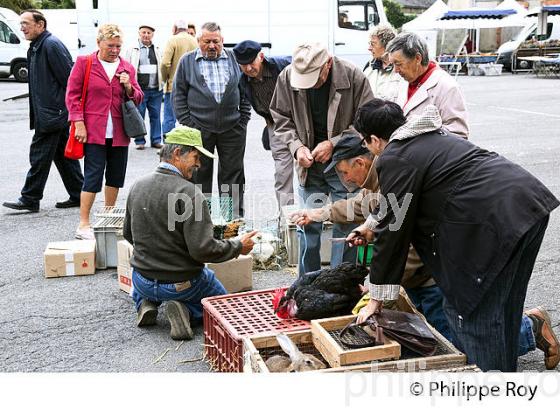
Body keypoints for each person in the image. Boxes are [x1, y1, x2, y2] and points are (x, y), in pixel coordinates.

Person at [295, 134, 558, 367]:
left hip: (432, 276)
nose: (345, 179)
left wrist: (380, 288)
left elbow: (406, 250)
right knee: (440, 337)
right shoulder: (375, 185)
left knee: (459, 341)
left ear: (361, 162)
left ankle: (531, 330)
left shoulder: (396, 177)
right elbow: (358, 208)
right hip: (418, 279)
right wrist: (319, 214)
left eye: (344, 173)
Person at [349, 98, 559, 372]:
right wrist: (370, 224)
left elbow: (395, 230)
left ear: (375, 140)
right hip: (527, 208)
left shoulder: (395, 155)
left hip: (495, 225)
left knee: (473, 317)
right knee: (503, 311)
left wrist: (376, 298)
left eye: (366, 143)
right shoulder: (430, 137)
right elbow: (395, 204)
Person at [123, 126, 257, 340]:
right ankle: (188, 311)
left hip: (142, 280)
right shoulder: (189, 193)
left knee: (145, 277)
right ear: (177, 154)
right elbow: (202, 250)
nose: (199, 164)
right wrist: (238, 246)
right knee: (223, 310)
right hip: (180, 286)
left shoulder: (137, 186)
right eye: (195, 156)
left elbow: (129, 235)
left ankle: (146, 302)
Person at [270, 43, 373, 274]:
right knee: (308, 224)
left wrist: (334, 143)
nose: (310, 85)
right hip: (309, 164)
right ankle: (307, 282)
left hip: (344, 165)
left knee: (346, 221)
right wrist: (297, 148)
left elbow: (367, 121)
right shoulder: (287, 76)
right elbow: (280, 118)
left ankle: (340, 282)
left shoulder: (353, 76)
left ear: (328, 64)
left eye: (314, 79)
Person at [66, 24, 143, 240]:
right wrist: (78, 122)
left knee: (115, 176)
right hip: (93, 131)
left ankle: (108, 218)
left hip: (119, 131)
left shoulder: (127, 67)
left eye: (118, 46)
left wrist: (128, 87)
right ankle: (84, 223)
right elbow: (72, 95)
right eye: (110, 45)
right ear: (99, 42)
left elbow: (138, 97)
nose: (115, 50)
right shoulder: (85, 63)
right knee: (92, 176)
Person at [3, 10, 83, 213]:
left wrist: (65, 109)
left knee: (39, 155)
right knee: (64, 157)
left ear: (41, 25)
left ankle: (30, 198)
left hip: (53, 114)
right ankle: (79, 194)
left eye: (26, 23)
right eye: (21, 24)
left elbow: (70, 80)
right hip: (50, 113)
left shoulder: (51, 45)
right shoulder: (37, 46)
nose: (22, 28)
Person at [173, 22, 251, 218]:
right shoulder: (187, 61)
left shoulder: (234, 59)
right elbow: (178, 96)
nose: (211, 46)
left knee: (232, 175)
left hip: (232, 128)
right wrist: (189, 124)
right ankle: (201, 220)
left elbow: (246, 92)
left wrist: (243, 120)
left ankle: (231, 219)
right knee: (198, 174)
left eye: (216, 41)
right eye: (206, 41)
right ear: (198, 41)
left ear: (222, 41)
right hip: (198, 129)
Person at [232, 40, 293, 209]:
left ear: (261, 56)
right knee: (282, 173)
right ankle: (287, 218)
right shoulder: (243, 80)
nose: (249, 69)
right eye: (243, 65)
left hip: (300, 122)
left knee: (309, 169)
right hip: (275, 125)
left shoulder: (283, 65)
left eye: (251, 63)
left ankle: (316, 214)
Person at [386, 32, 470, 138]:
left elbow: (458, 134)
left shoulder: (447, 87)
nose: (395, 70)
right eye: (392, 64)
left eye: (398, 64)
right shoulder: (402, 80)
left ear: (417, 58)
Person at [124, 24, 164, 150]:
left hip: (156, 89)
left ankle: (156, 140)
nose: (146, 35)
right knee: (139, 115)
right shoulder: (132, 49)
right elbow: (126, 67)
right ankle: (139, 140)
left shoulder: (158, 49)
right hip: (139, 90)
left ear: (152, 35)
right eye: (144, 32)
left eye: (149, 33)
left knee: (156, 115)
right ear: (139, 33)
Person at [160, 20, 198, 135]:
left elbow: (165, 63)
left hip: (173, 86)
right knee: (189, 118)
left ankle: (168, 146)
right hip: (192, 86)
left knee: (169, 118)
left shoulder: (172, 40)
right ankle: (189, 146)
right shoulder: (195, 41)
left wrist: (165, 78)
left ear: (175, 28)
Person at [363, 24, 407, 106]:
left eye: (373, 44)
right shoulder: (369, 68)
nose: (369, 48)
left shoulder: (401, 71)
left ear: (387, 46)